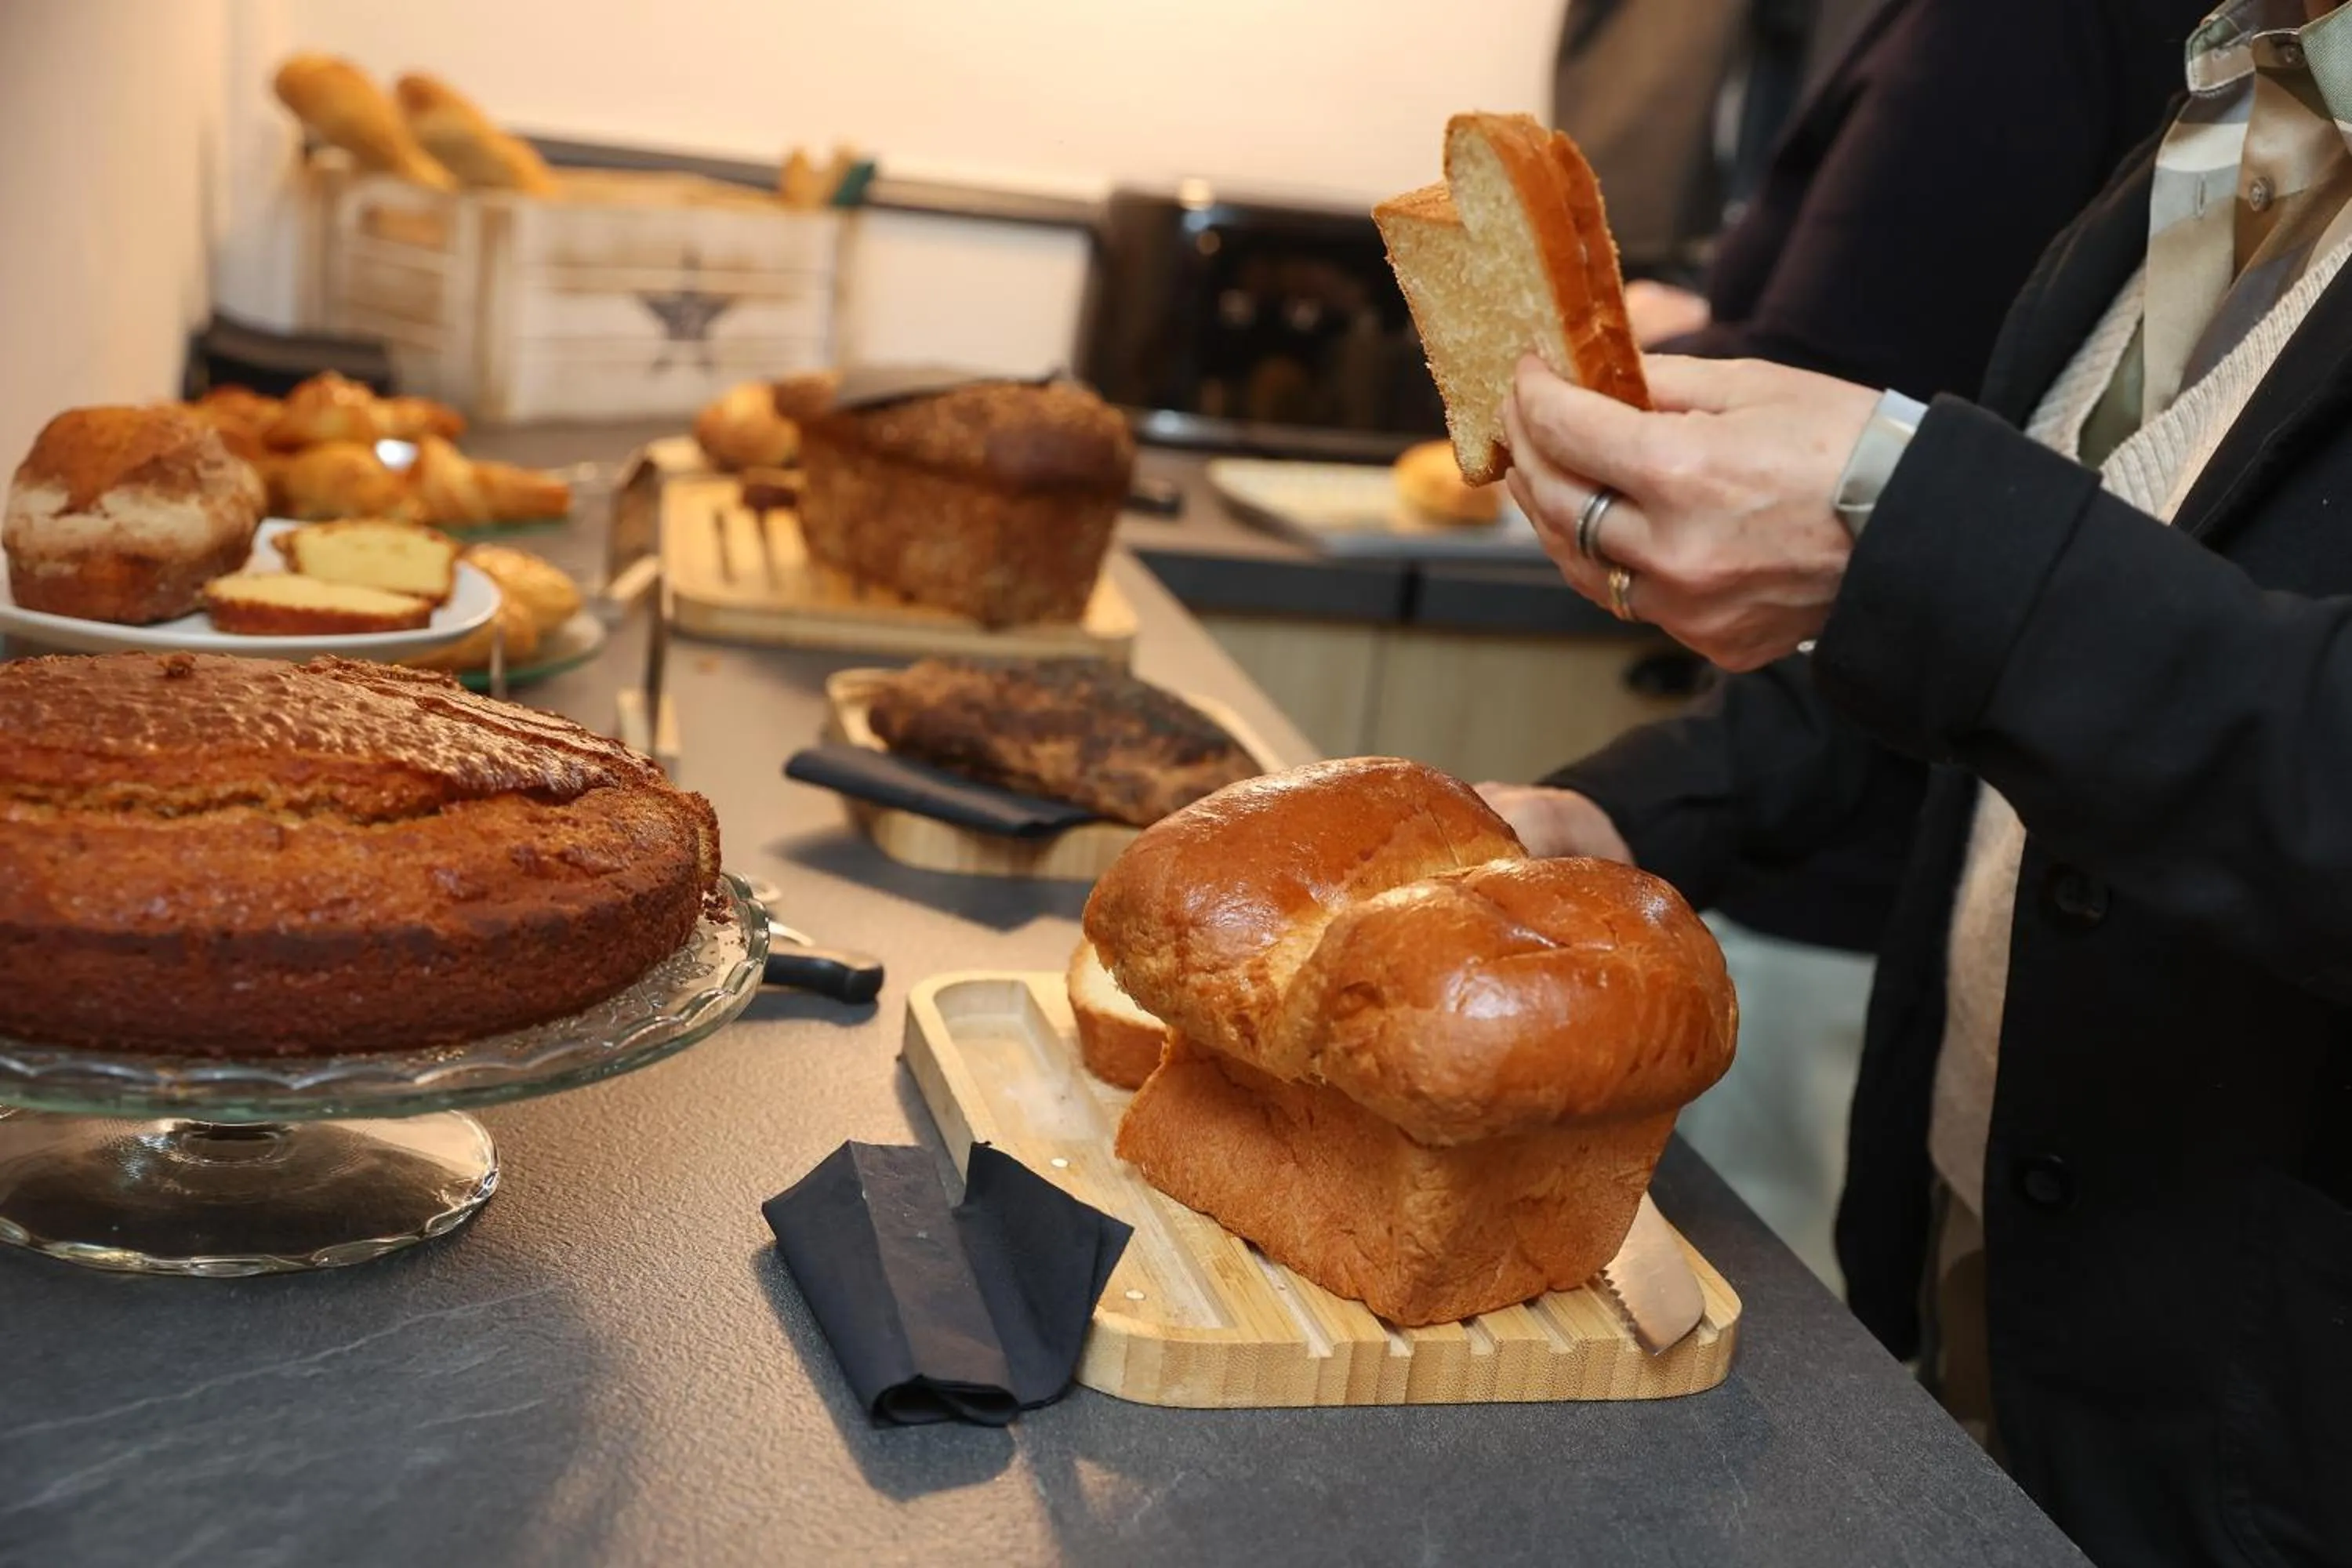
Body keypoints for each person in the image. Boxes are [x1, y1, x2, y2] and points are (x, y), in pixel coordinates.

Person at [1493, 2, 2352, 1561]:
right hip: (1985, 1296)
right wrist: (1624, 821)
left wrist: (1922, 527)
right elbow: (2022, 660)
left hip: (2269, 1431)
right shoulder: (2241, 102)